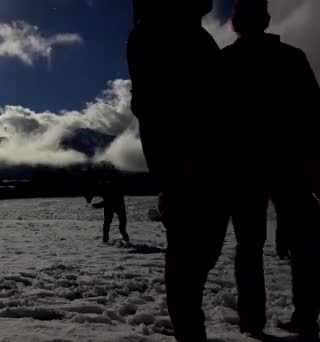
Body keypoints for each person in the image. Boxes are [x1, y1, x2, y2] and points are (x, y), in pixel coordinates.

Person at [128, 1, 232, 340]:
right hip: (191, 169)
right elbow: (156, 104)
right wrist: (177, 170)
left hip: (204, 167)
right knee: (188, 269)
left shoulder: (187, 35)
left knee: (194, 264)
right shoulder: (159, 33)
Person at [222, 0, 320, 340]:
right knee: (303, 246)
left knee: (249, 247)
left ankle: (252, 322)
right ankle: (307, 318)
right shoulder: (292, 58)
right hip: (291, 165)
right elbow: (314, 115)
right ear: (265, 20)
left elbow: (213, 122)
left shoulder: (226, 63)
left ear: (234, 24)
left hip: (243, 170)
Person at [83, 164, 130, 244]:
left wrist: (98, 205)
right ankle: (108, 238)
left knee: (117, 223)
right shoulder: (103, 183)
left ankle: (122, 237)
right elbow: (97, 192)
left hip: (117, 205)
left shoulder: (112, 183)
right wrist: (90, 198)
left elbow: (110, 199)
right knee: (108, 223)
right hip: (112, 205)